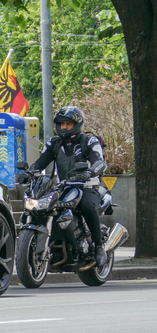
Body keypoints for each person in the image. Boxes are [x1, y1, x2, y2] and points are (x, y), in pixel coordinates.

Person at [29, 106, 108, 267]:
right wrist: (29, 172)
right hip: (64, 187)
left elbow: (100, 162)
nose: (64, 127)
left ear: (77, 124)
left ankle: (99, 247)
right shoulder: (54, 143)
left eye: (68, 124)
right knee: (43, 207)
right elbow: (40, 162)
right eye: (61, 124)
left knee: (86, 206)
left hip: (89, 186)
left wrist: (90, 172)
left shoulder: (90, 141)